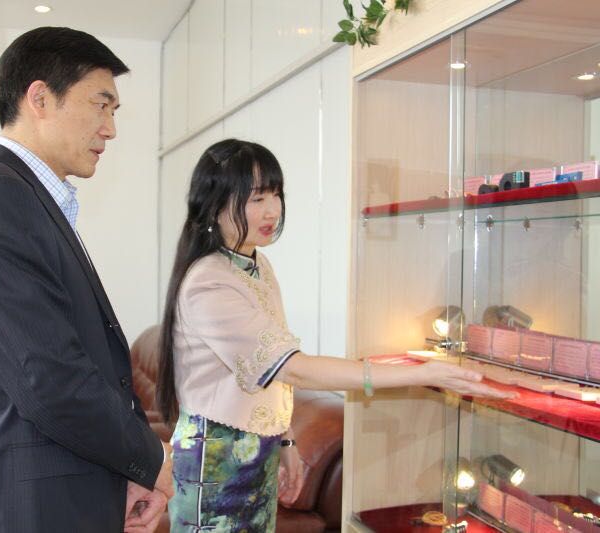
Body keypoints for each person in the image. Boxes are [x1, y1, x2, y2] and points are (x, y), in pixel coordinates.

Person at [156, 138, 515, 532]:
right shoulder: (209, 280)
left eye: (276, 194)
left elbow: (267, 372)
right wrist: (421, 373)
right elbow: (294, 369)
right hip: (216, 456)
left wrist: (285, 440)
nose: (273, 210)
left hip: (259, 448)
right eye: (257, 198)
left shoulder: (258, 265)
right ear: (214, 204)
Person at [0, 27, 172, 533]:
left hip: (68, 489)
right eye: (100, 105)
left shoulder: (28, 198)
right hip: (33, 504)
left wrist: (127, 473)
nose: (110, 129)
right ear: (40, 99)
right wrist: (153, 462)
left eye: (114, 111)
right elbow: (50, 378)